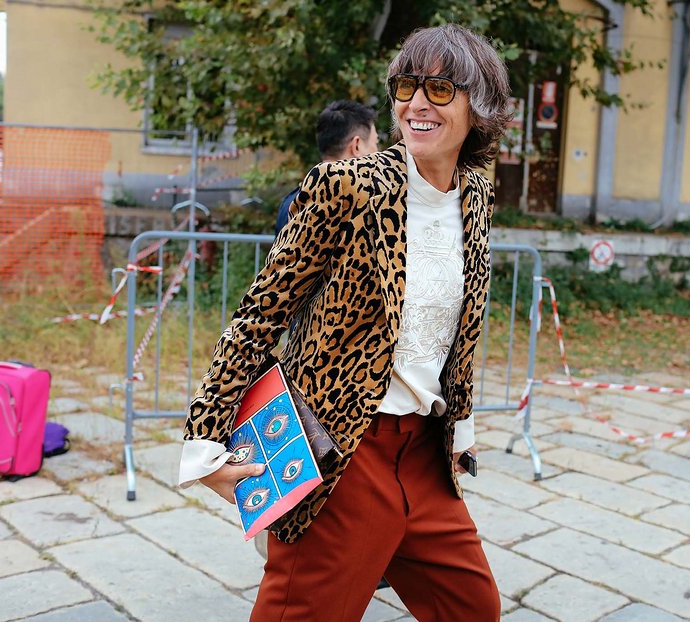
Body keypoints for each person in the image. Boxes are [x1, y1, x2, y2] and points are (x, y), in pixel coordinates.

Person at [179, 23, 511, 622]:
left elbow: (458, 330)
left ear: (478, 106)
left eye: (440, 89)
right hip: (343, 452)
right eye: (407, 85)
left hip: (425, 459)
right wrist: (204, 440)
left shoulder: (477, 198)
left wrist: (457, 424)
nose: (416, 103)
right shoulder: (348, 187)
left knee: (473, 610)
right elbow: (262, 312)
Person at [275, 99, 379, 235]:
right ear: (357, 146)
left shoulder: (291, 203)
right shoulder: (360, 209)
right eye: (376, 143)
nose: (378, 153)